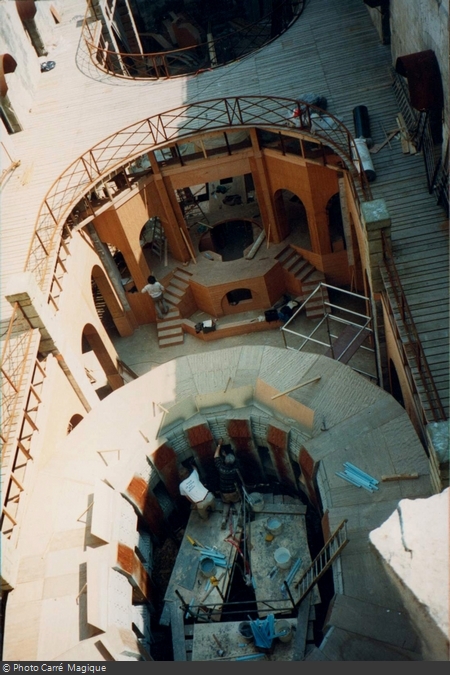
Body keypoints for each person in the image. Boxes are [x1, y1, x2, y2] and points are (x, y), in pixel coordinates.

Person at [214, 439, 240, 504]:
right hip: (233, 491)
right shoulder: (235, 470)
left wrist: (219, 444)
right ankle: (236, 504)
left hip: (224, 492)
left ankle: (226, 507)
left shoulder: (221, 469)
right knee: (236, 501)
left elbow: (216, 456)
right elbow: (234, 464)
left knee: (226, 502)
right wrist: (226, 456)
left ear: (225, 461)